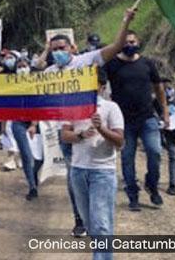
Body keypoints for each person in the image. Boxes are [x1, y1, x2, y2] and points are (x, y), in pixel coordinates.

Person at [48, 7, 135, 237]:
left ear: (72, 48)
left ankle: (99, 226)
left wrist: (125, 21)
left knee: (92, 177)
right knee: (73, 178)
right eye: (54, 49)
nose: (58, 52)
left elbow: (116, 47)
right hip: (67, 131)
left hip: (93, 129)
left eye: (61, 48)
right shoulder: (48, 73)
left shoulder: (84, 61)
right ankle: (81, 220)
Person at [61, 70, 124, 260]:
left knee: (102, 224)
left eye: (92, 82)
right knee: (90, 223)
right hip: (78, 171)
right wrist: (81, 135)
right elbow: (64, 135)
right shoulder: (72, 107)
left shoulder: (111, 108)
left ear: (101, 86)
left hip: (103, 171)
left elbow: (120, 141)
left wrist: (101, 129)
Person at [103, 30, 167, 210]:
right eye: (126, 42)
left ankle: (152, 186)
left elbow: (159, 88)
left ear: (138, 42)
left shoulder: (147, 63)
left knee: (155, 152)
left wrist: (165, 112)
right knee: (127, 158)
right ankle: (133, 195)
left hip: (148, 118)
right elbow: (99, 85)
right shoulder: (112, 65)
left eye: (132, 42)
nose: (129, 45)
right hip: (122, 122)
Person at [10, 57, 43, 200]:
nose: (22, 69)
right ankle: (32, 187)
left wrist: (34, 124)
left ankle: (33, 174)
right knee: (26, 155)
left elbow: (39, 105)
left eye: (24, 66)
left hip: (37, 122)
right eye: (19, 66)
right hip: (18, 121)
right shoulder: (11, 85)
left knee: (41, 157)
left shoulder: (37, 84)